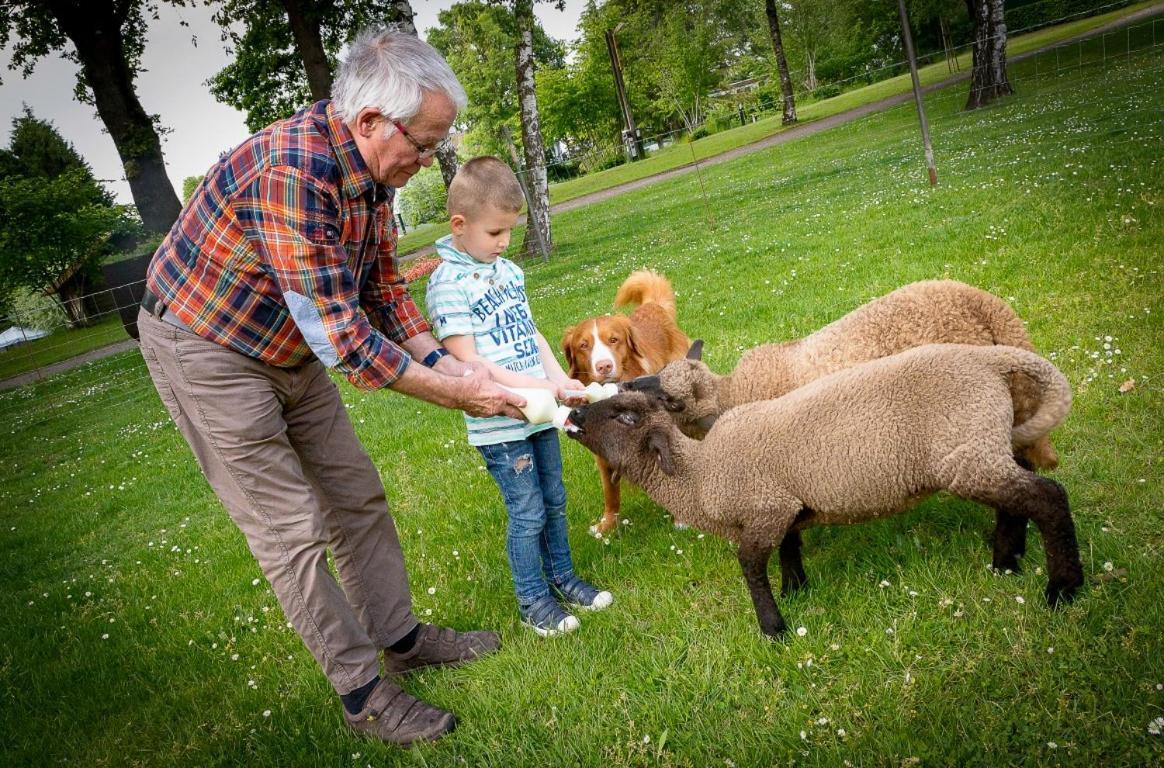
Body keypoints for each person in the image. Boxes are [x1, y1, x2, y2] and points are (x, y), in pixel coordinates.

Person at [136, 29, 527, 747]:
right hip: (208, 348)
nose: (431, 160)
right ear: (373, 121)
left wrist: (448, 363)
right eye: (426, 142)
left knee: (355, 490)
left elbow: (380, 285)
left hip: (290, 340)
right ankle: (364, 694)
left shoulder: (376, 176)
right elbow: (346, 342)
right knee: (291, 531)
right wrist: (458, 395)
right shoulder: (295, 171)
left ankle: (401, 638)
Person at [425, 157, 614, 637]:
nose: (505, 242)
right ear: (460, 225)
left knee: (554, 499)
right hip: (500, 421)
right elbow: (472, 365)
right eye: (495, 233)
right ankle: (533, 601)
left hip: (541, 411)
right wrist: (542, 387)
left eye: (511, 230)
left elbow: (533, 337)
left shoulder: (508, 271)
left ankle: (564, 578)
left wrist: (560, 380)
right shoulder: (447, 284)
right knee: (527, 510)